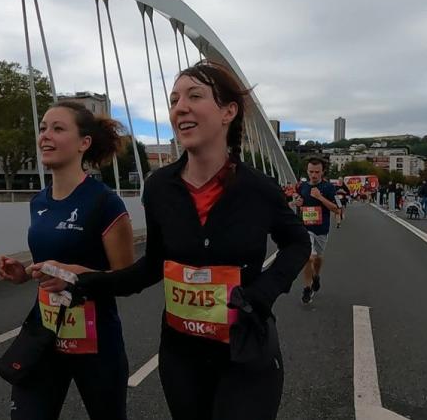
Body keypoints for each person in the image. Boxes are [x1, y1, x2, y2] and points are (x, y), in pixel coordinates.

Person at [29, 61, 311, 420]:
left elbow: (297, 242)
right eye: (174, 99)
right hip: (182, 356)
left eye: (195, 96)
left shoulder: (258, 188)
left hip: (244, 350)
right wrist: (82, 279)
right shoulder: (160, 187)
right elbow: (150, 266)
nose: (180, 107)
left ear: (228, 112)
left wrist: (261, 294)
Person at [0, 101, 135, 420]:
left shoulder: (105, 203)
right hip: (45, 333)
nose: (46, 135)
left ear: (83, 143)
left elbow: (127, 279)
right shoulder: (38, 202)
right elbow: (49, 266)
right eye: (43, 128)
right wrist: (21, 273)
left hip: (97, 341)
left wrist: (78, 276)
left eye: (58, 129)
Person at [294, 157, 340, 304]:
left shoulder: (328, 188)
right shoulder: (302, 187)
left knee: (318, 258)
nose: (313, 175)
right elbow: (299, 205)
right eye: (311, 171)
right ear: (307, 171)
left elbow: (336, 209)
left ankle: (316, 276)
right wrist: (298, 204)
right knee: (309, 257)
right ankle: (307, 289)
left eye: (317, 172)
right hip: (305, 228)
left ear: (322, 172)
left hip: (321, 229)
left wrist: (320, 197)